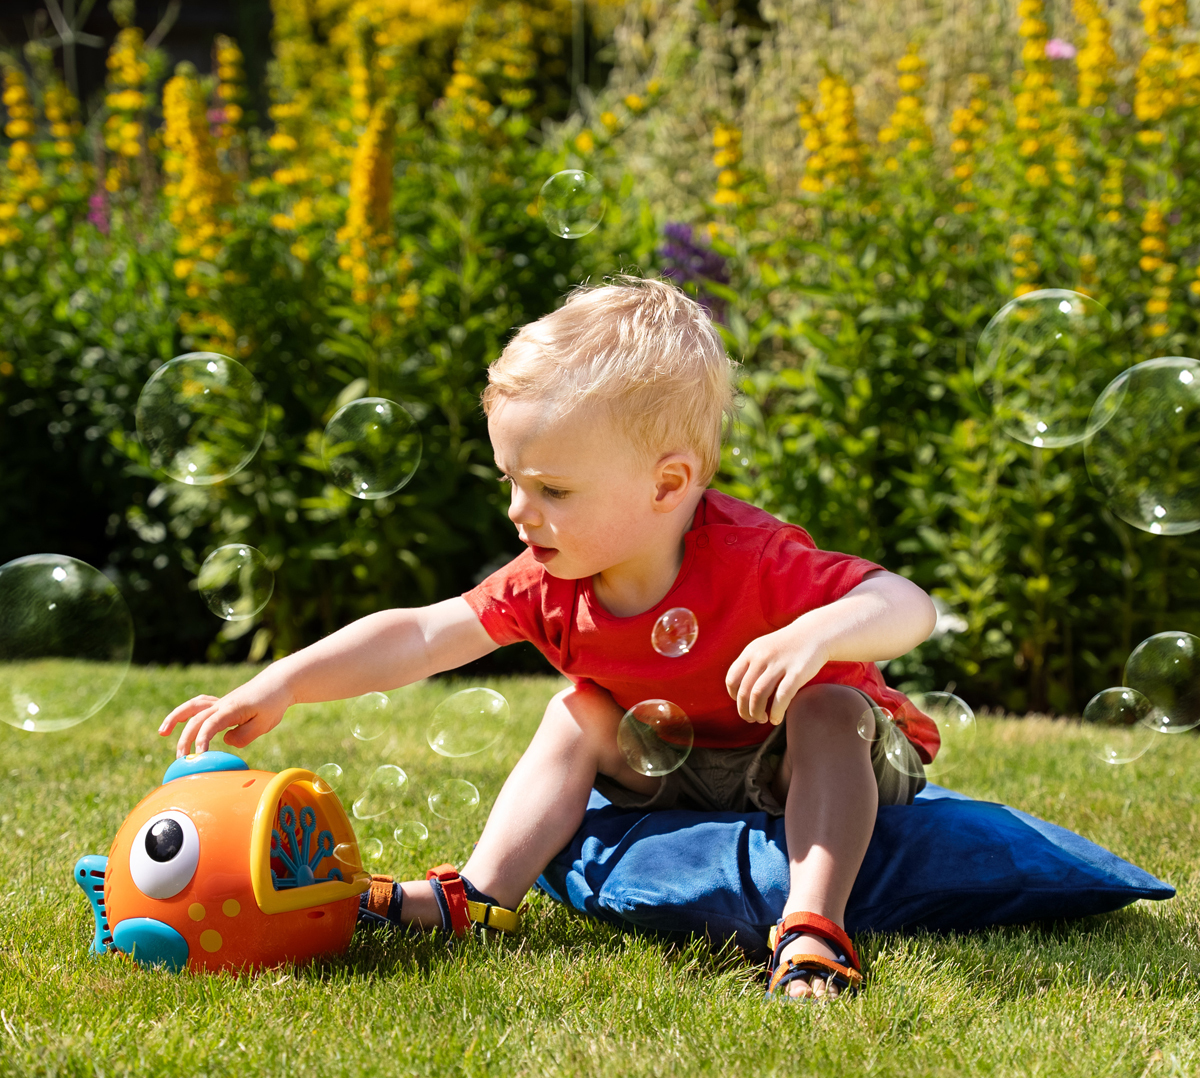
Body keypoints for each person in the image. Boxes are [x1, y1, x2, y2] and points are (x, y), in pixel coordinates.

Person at [160, 277, 938, 1000]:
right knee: (579, 711)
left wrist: (816, 633)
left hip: (804, 757)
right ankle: (481, 896)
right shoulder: (550, 581)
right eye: (512, 481)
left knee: (830, 704)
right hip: (677, 762)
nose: (518, 513)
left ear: (668, 485)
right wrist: (285, 680)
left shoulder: (753, 560)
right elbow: (425, 634)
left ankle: (811, 927)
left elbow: (906, 604)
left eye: (552, 490)